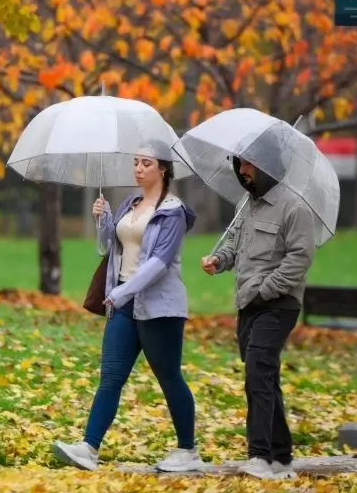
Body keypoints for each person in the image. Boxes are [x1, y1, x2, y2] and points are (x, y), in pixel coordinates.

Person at [53, 140, 203, 474]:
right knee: (110, 378)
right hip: (123, 303)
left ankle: (188, 450)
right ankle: (88, 447)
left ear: (163, 168)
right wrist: (104, 221)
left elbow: (158, 264)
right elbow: (109, 246)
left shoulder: (172, 211)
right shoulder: (130, 202)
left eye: (146, 163)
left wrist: (123, 292)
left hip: (159, 308)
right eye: (135, 162)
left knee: (169, 378)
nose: (138, 169)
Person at [200, 129, 317, 481]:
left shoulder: (295, 207)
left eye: (248, 162)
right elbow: (234, 248)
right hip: (247, 303)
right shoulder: (244, 206)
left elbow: (300, 257)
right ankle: (282, 457)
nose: (242, 170)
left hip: (278, 303)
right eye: (239, 162)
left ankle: (260, 456)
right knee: (264, 376)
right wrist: (218, 260)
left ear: (267, 166)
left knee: (258, 371)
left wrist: (267, 289)